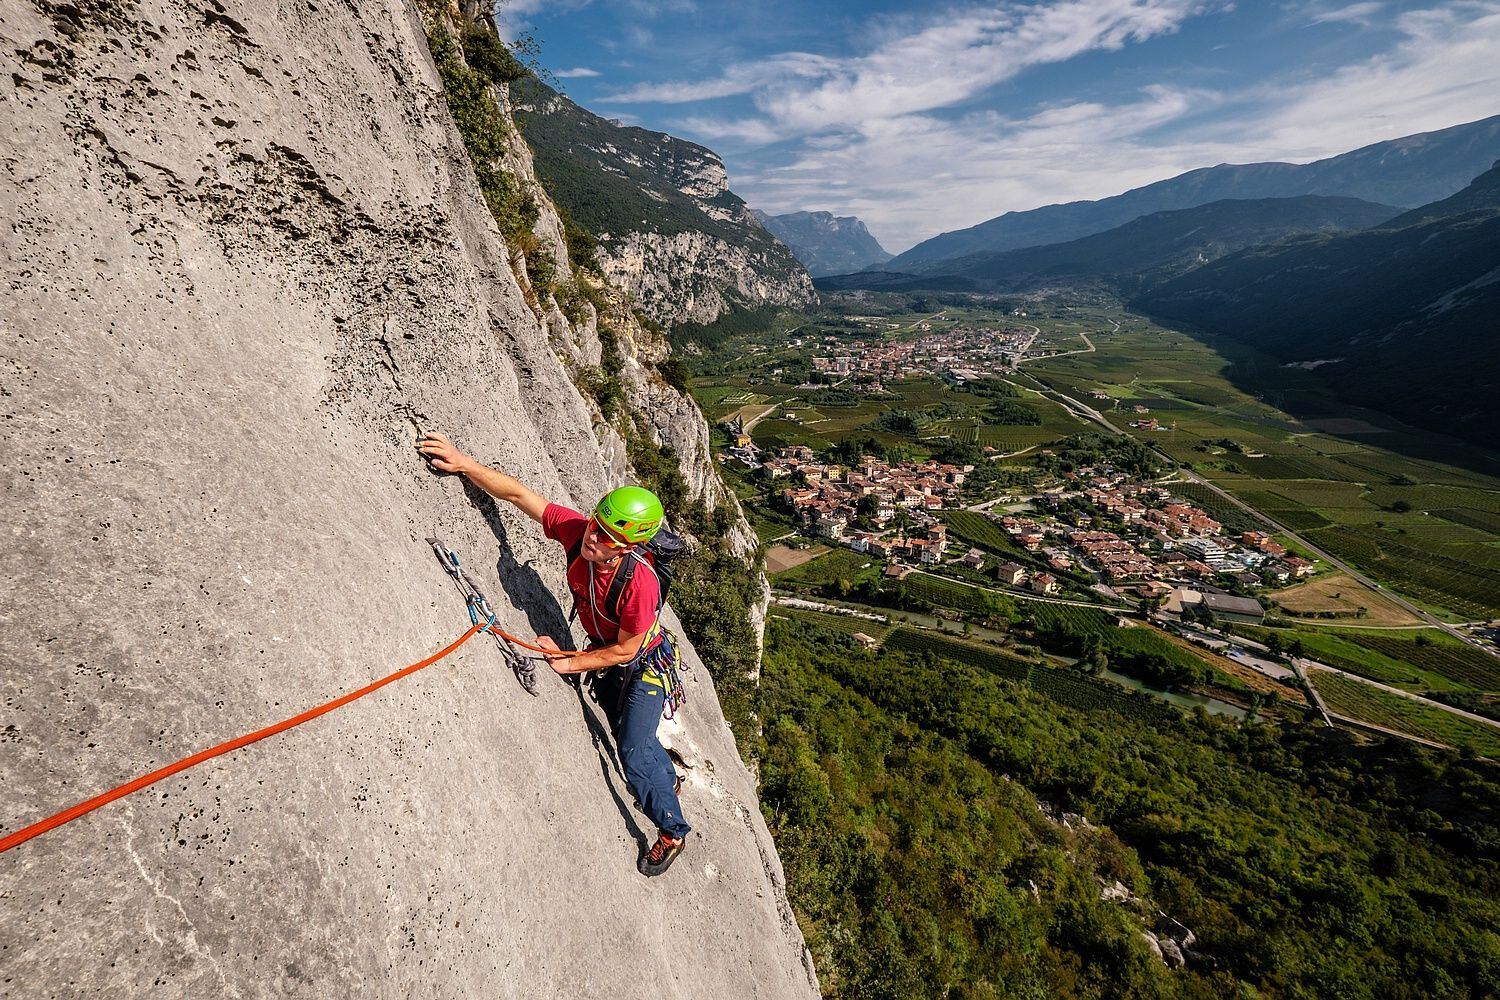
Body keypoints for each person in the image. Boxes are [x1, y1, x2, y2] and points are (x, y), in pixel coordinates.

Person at [416, 431, 690, 877]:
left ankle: (673, 830)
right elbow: (522, 497)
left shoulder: (638, 583)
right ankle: (669, 780)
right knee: (629, 733)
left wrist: (571, 660)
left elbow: (626, 648)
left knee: (632, 750)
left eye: (606, 537)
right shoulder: (581, 533)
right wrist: (464, 462)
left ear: (628, 547)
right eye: (595, 525)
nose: (592, 538)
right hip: (610, 659)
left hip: (644, 667)